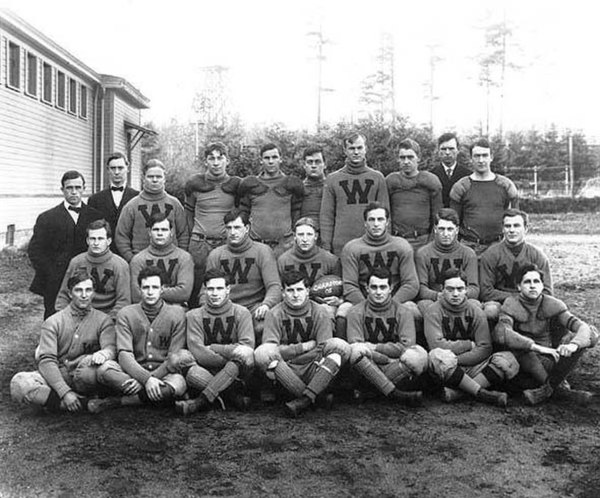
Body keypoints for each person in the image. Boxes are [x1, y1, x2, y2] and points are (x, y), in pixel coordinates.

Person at [10, 270, 115, 412]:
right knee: (19, 383)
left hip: (86, 375)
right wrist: (64, 392)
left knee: (100, 369)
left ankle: (58, 402)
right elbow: (46, 360)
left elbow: (110, 347)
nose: (84, 295)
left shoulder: (103, 320)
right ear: (70, 293)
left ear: (94, 292)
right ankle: (83, 404)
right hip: (59, 375)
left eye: (88, 290)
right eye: (78, 290)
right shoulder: (53, 322)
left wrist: (104, 353)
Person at [493, 264, 598, 405]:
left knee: (591, 333)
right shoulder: (511, 304)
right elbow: (503, 333)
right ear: (519, 286)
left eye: (536, 281)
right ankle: (562, 391)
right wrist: (536, 347)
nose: (532, 286)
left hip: (550, 358)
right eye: (527, 282)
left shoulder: (552, 304)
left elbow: (583, 327)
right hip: (524, 362)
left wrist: (573, 345)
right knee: (525, 352)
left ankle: (547, 390)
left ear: (542, 285)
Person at [89, 266, 187, 413]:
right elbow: (124, 354)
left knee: (179, 383)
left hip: (164, 373)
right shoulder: (126, 314)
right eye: (145, 287)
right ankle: (152, 396)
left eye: (155, 287)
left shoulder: (177, 314)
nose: (150, 291)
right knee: (104, 370)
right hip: (132, 372)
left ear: (163, 289)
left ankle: (121, 401)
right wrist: (145, 379)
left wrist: (149, 379)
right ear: (139, 289)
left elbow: (173, 358)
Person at [254, 270, 350, 417]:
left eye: (299, 289)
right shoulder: (274, 313)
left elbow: (324, 346)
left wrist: (297, 355)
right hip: (286, 369)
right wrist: (303, 347)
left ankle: (304, 400)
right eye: (290, 290)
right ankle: (316, 396)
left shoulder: (320, 311)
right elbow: (272, 349)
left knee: (339, 346)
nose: (295, 294)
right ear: (283, 292)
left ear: (307, 291)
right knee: (262, 352)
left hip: (314, 367)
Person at [425, 269, 518, 407]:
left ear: (466, 290)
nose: (455, 294)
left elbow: (485, 348)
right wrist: (469, 345)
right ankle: (483, 394)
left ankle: (459, 393)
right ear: (441, 290)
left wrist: (458, 360)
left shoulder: (475, 311)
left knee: (508, 359)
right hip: (447, 368)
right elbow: (437, 345)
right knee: (437, 355)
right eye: (450, 289)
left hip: (471, 365)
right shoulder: (433, 310)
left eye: (460, 289)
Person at [170, 269, 255, 415]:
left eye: (219, 288)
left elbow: (246, 346)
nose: (215, 293)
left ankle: (199, 402)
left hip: (236, 372)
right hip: (207, 369)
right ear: (205, 290)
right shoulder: (194, 315)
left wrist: (215, 347)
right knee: (181, 358)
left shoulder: (242, 312)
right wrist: (230, 358)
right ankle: (230, 395)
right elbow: (199, 353)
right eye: (210, 289)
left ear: (228, 289)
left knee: (245, 354)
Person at [346, 267, 428, 405]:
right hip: (368, 365)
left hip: (394, 364)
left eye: (383, 287)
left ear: (391, 288)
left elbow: (406, 346)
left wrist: (374, 347)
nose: (378, 292)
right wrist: (385, 357)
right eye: (374, 287)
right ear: (367, 288)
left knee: (419, 354)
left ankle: (370, 391)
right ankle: (395, 394)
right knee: (356, 350)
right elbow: (356, 345)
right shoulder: (355, 311)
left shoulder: (404, 311)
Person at [28, 170, 103, 319]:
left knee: (87, 317)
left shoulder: (95, 216)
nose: (74, 192)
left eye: (78, 187)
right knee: (54, 317)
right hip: (56, 280)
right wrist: (51, 272)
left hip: (87, 277)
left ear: (84, 189)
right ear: (62, 190)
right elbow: (35, 251)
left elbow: (102, 246)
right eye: (69, 188)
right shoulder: (47, 218)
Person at [204, 209, 281, 343]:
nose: (233, 232)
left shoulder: (262, 251)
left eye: (237, 227)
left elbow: (274, 286)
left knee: (263, 324)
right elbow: (204, 290)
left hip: (253, 308)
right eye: (229, 228)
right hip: (225, 307)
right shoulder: (216, 255)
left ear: (246, 228)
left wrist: (266, 304)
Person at [184, 142, 241, 308]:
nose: (216, 162)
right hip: (200, 243)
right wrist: (190, 240)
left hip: (226, 242)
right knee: (197, 284)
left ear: (227, 161)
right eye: (211, 158)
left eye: (220, 158)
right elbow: (188, 215)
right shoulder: (195, 184)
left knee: (225, 283)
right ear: (205, 161)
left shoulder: (236, 185)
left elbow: (240, 215)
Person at [341, 202, 419, 313]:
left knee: (412, 310)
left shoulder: (402, 246)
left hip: (395, 298)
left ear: (387, 222)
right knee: (343, 310)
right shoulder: (352, 248)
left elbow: (411, 284)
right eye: (371, 220)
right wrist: (366, 306)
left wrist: (391, 304)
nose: (376, 224)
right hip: (363, 299)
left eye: (380, 219)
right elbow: (349, 285)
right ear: (365, 223)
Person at [320, 132, 389, 255]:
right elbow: (327, 216)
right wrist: (326, 247)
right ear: (345, 150)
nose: (356, 152)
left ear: (366, 149)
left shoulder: (377, 178)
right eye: (351, 148)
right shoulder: (333, 179)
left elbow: (386, 214)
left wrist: (387, 244)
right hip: (341, 245)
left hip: (372, 245)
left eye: (359, 148)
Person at [479, 209, 553, 320]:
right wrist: (516, 298)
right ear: (502, 229)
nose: (512, 230)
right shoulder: (490, 255)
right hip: (501, 303)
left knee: (555, 309)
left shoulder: (537, 256)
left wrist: (527, 298)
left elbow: (547, 291)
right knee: (491, 311)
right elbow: (485, 291)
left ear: (526, 228)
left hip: (531, 303)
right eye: (508, 226)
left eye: (516, 226)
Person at [450, 138, 519, 255]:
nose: (481, 160)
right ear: (471, 158)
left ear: (491, 157)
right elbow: (453, 221)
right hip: (469, 247)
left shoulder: (506, 185)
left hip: (498, 246)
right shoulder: (461, 186)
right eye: (477, 156)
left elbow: (516, 219)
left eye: (484, 155)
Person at [115, 158, 189, 263]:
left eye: (158, 177)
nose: (154, 180)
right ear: (143, 178)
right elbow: (121, 236)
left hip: (171, 262)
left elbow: (183, 234)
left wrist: (180, 257)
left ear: (164, 179)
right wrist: (132, 259)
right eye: (150, 176)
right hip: (142, 262)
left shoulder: (174, 204)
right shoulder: (132, 205)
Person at [55, 219, 130, 320]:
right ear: (87, 241)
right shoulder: (77, 262)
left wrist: (107, 320)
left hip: (107, 316)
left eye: (100, 239)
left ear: (108, 241)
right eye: (92, 239)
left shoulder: (120, 265)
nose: (96, 243)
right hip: (78, 315)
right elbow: (63, 295)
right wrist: (65, 317)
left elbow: (123, 301)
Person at [238, 143, 304, 257]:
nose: (271, 161)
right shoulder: (250, 184)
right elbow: (243, 212)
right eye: (267, 158)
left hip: (285, 246)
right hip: (256, 245)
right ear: (261, 160)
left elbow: (297, 212)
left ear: (281, 159)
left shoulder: (291, 184)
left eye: (274, 157)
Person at [415, 208, 479, 315]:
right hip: (434, 300)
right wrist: (439, 295)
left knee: (475, 305)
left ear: (457, 230)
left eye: (450, 229)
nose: (445, 234)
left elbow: (474, 289)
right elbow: (421, 288)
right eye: (441, 229)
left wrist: (456, 294)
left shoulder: (468, 254)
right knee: (423, 305)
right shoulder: (423, 253)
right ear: (435, 229)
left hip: (460, 298)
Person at [386, 138, 442, 250]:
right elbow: (386, 214)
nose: (406, 161)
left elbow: (437, 216)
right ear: (398, 159)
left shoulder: (430, 181)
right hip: (397, 240)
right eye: (402, 157)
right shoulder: (391, 181)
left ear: (418, 158)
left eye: (410, 157)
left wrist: (432, 243)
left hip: (422, 241)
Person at [129, 212, 194, 306]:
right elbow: (136, 295)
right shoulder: (138, 260)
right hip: (146, 311)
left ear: (171, 232)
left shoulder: (184, 258)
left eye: (164, 230)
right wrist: (169, 293)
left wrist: (152, 292)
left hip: (176, 311)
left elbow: (184, 293)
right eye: (156, 229)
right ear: (149, 232)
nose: (160, 233)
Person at [88, 152, 139, 256]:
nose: (116, 172)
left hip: (131, 254)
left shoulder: (138, 197)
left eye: (120, 168)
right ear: (107, 170)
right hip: (104, 254)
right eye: (113, 168)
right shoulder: (95, 199)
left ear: (127, 169)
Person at [430, 133, 471, 208]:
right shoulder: (431, 176)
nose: (447, 152)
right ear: (438, 151)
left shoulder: (468, 175)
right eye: (443, 149)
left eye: (451, 149)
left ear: (457, 150)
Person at [299, 146, 327, 231]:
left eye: (317, 162)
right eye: (310, 162)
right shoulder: (298, 188)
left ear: (325, 164)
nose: (313, 166)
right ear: (304, 165)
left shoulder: (331, 186)